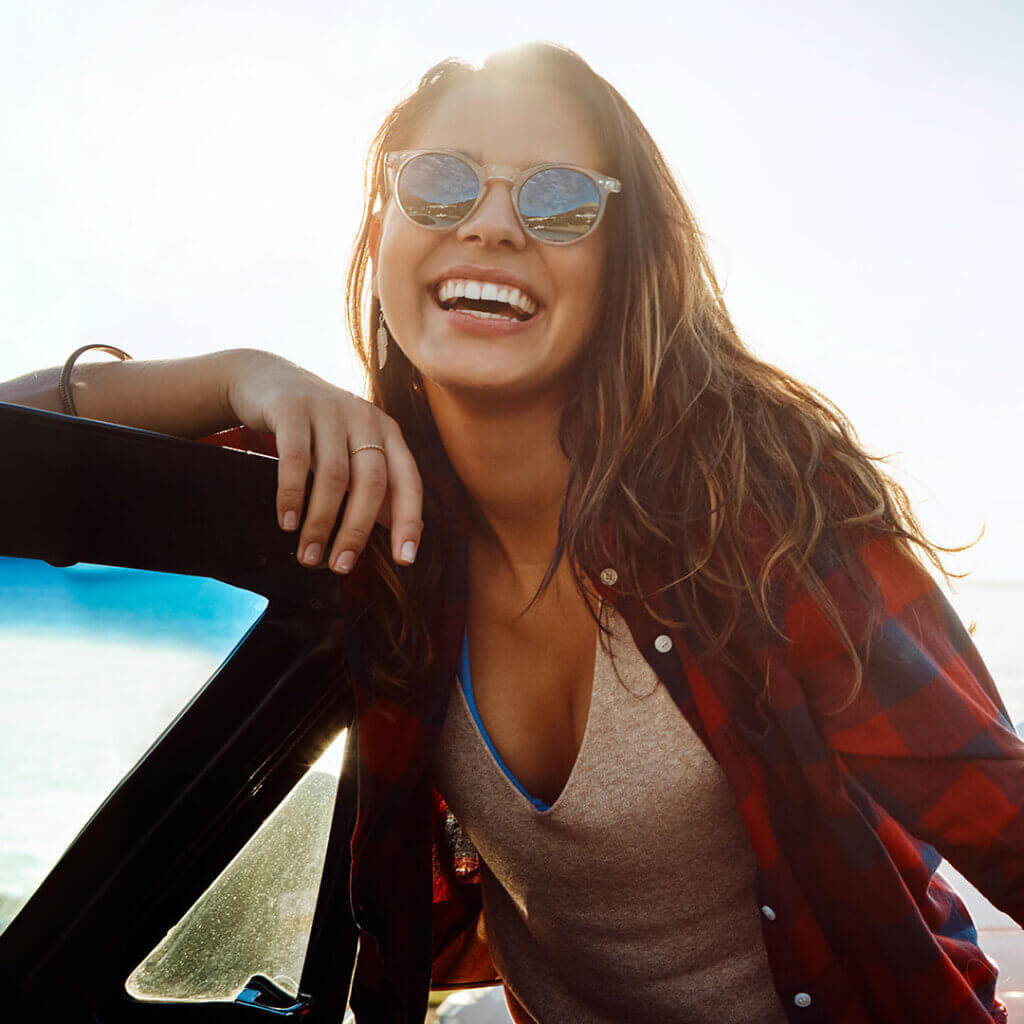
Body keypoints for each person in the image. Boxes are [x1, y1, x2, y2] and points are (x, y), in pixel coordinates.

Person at [3, 41, 1022, 1024]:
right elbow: (20, 447)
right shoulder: (360, 491)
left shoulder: (755, 507)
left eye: (559, 199)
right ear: (381, 225)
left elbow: (993, 807)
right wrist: (238, 373)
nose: (491, 226)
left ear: (623, 262)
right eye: (440, 183)